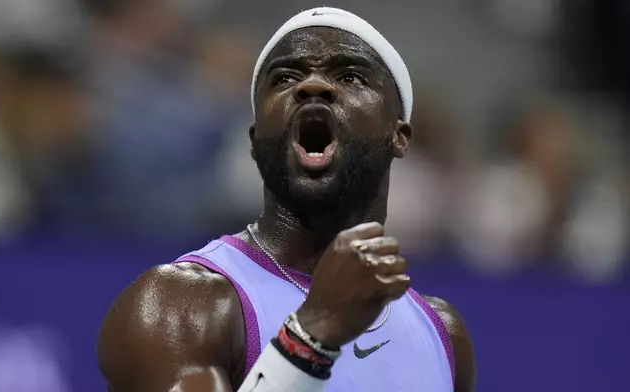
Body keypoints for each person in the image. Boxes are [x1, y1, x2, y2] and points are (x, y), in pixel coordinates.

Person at [97, 7, 476, 392]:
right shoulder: (178, 306)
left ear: (400, 136)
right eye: (285, 77)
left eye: (350, 75)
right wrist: (312, 333)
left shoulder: (443, 334)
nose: (312, 86)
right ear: (255, 136)